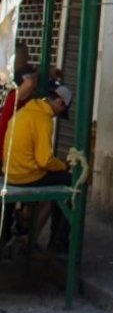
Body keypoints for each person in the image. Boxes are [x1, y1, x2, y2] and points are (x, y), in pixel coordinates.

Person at [2, 80, 74, 251]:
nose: (58, 115)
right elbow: (44, 161)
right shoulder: (44, 120)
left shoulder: (24, 111)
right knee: (70, 182)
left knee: (54, 183)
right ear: (59, 102)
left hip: (10, 173)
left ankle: (26, 230)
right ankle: (59, 241)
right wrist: (63, 165)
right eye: (62, 109)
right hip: (26, 176)